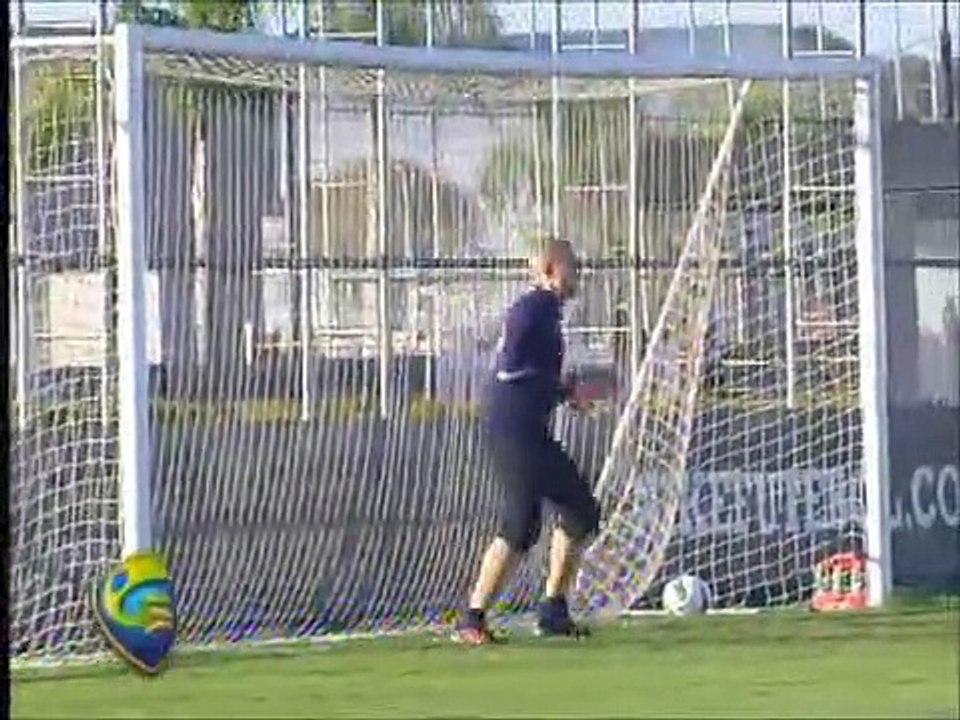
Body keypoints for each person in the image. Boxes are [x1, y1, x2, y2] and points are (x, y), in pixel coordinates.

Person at [456, 237, 601, 645]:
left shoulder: (549, 312)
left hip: (529, 428)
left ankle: (553, 610)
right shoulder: (533, 308)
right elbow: (515, 359)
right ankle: (472, 618)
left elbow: (536, 373)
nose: (579, 274)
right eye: (573, 266)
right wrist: (538, 379)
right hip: (512, 429)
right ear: (553, 268)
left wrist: (564, 392)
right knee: (522, 525)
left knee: (580, 510)